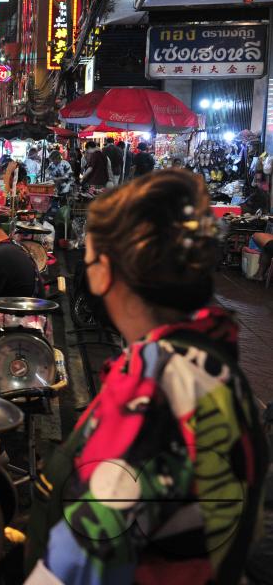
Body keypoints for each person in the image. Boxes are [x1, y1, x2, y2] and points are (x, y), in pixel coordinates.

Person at [25, 169, 267, 584]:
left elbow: (83, 555)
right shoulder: (211, 360)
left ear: (104, 271)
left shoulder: (152, 391)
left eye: (89, 256)